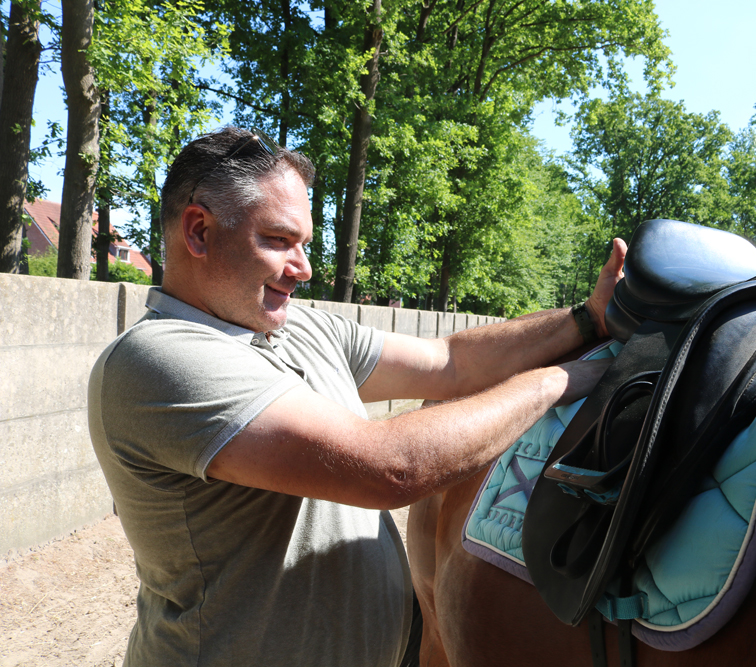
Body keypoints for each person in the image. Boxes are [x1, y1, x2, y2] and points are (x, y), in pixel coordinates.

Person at [88, 127, 626, 666]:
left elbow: (451, 362)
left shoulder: (301, 329)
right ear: (199, 231)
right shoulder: (158, 360)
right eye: (278, 240)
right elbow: (388, 468)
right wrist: (554, 382)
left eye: (304, 244)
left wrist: (585, 320)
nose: (304, 269)